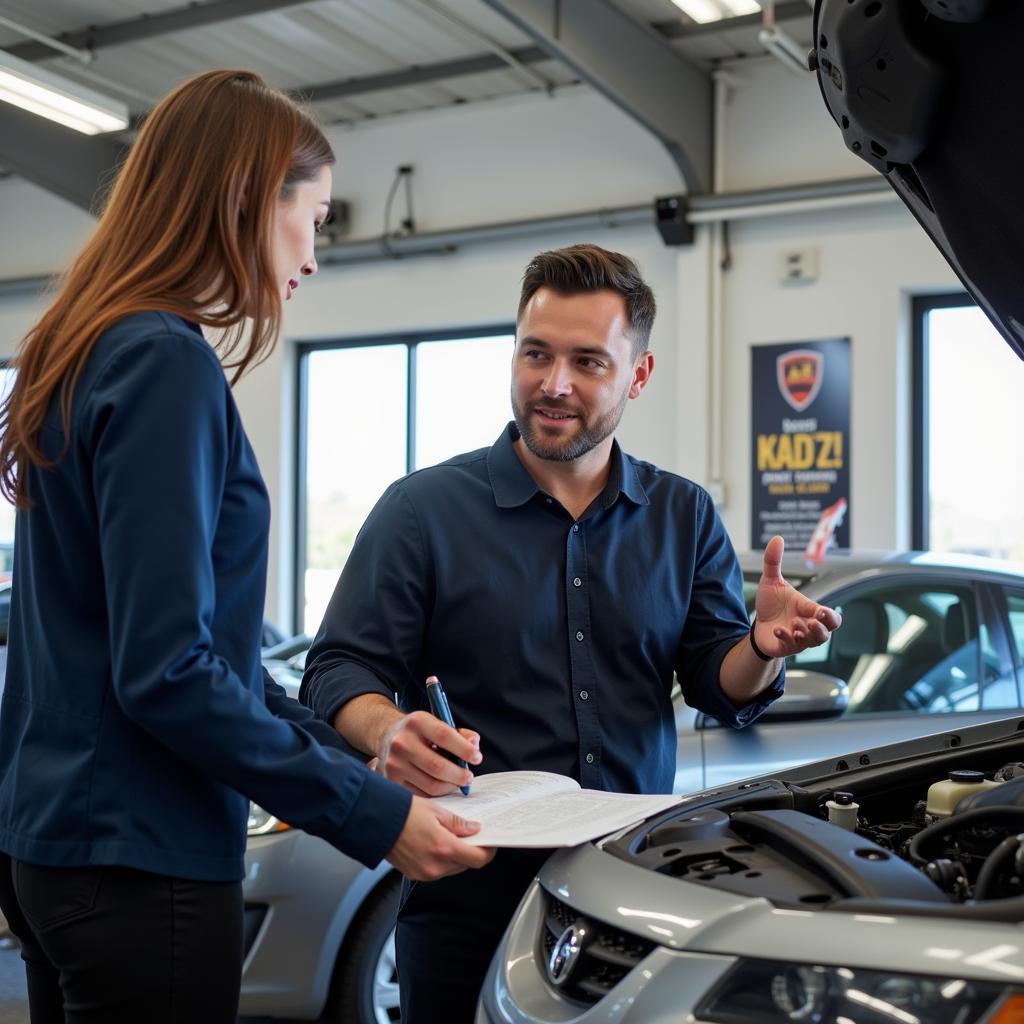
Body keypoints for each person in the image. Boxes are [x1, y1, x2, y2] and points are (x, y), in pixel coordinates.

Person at [0, 69, 492, 1024]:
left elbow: (185, 652)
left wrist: (368, 754)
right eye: (314, 216)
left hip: (55, 849)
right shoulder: (163, 360)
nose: (314, 252)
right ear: (242, 201)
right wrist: (375, 821)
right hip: (142, 862)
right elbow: (169, 673)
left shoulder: (88, 346)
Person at [300, 243, 842, 1022]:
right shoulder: (421, 511)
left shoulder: (682, 515)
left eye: (588, 361)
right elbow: (336, 669)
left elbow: (718, 688)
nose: (555, 384)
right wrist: (385, 729)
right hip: (466, 896)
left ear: (638, 375)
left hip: (637, 898)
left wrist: (759, 650)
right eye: (536, 354)